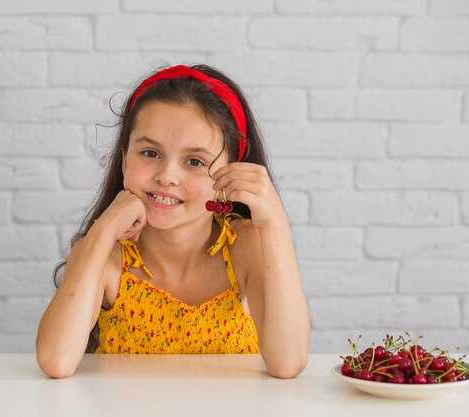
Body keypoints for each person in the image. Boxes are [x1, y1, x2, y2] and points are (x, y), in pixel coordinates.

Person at [36, 64, 310, 379]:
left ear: (230, 174)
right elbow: (56, 360)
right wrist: (103, 230)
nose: (167, 176)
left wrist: (274, 222)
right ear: (125, 160)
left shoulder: (244, 247)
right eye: (150, 153)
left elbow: (287, 362)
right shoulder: (109, 253)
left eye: (194, 161)